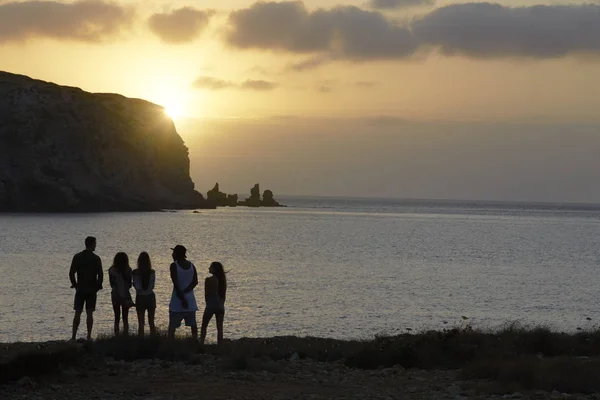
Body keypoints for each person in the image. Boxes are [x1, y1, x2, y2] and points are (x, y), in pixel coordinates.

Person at [69, 236, 103, 341]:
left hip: (80, 288)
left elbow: (71, 273)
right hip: (91, 289)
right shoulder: (96, 258)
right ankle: (88, 336)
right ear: (91, 244)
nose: (96, 245)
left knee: (77, 312)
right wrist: (97, 286)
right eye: (95, 243)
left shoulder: (77, 257)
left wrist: (75, 284)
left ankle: (73, 336)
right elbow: (100, 275)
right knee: (89, 313)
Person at [168, 245, 199, 339]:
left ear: (177, 254)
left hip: (177, 301)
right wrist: (186, 292)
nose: (172, 255)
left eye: (173, 253)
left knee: (172, 326)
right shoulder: (192, 265)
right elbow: (195, 282)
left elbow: (175, 283)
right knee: (193, 325)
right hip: (190, 301)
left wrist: (182, 296)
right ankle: (195, 342)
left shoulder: (174, 266)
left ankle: (169, 343)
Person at [200, 261, 227, 345]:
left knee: (204, 326)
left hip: (211, 305)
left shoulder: (208, 280)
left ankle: (201, 343)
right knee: (220, 328)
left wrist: (208, 303)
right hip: (220, 306)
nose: (209, 268)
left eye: (210, 267)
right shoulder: (223, 281)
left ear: (214, 269)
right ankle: (220, 345)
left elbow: (206, 294)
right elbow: (223, 295)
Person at [108, 252, 134, 336]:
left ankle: (117, 335)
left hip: (115, 295)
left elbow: (111, 284)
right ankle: (125, 335)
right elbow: (129, 284)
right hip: (125, 295)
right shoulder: (129, 270)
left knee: (116, 317)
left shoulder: (111, 270)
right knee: (125, 318)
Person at [133, 252, 156, 337]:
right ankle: (153, 340)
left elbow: (137, 287)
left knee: (141, 323)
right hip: (150, 296)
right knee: (151, 322)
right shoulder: (152, 272)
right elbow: (152, 286)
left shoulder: (135, 272)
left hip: (140, 298)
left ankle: (141, 341)